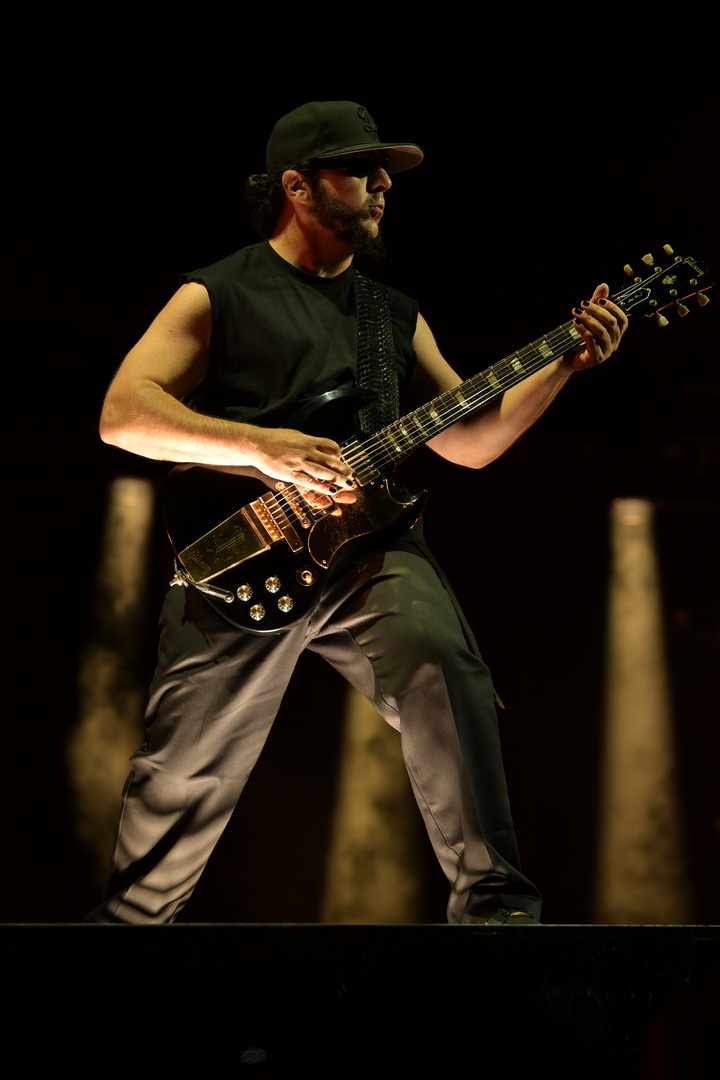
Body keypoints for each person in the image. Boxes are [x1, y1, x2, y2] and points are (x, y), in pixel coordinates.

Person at [87, 100, 627, 925]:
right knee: (184, 772)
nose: (383, 184)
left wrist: (562, 366)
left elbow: (470, 442)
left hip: (369, 549)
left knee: (445, 666)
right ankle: (121, 943)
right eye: (360, 169)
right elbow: (123, 414)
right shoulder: (218, 291)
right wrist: (260, 447)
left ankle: (498, 916)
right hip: (238, 556)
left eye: (385, 173)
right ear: (298, 186)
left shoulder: (391, 315)